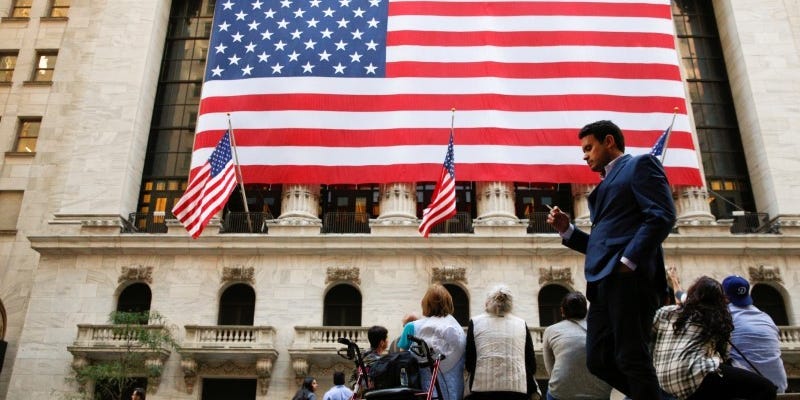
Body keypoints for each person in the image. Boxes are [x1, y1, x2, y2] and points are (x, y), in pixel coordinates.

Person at [547, 120, 675, 400]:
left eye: (588, 147)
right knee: (598, 359)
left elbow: (663, 215)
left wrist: (628, 261)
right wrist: (567, 231)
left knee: (631, 356)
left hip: (630, 279)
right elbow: (602, 245)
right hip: (604, 282)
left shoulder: (641, 165)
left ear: (609, 141)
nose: (584, 155)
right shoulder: (603, 188)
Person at [652, 276, 777, 400]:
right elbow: (725, 356)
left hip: (662, 381)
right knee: (767, 388)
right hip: (696, 376)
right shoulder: (717, 318)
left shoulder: (665, 312)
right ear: (721, 300)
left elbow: (647, 336)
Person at [465, 284, 538, 400]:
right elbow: (531, 364)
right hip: (518, 390)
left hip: (481, 390)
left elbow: (469, 362)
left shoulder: (475, 322)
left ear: (487, 302)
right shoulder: (521, 323)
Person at [398, 283, 466, 400]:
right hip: (453, 392)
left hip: (422, 392)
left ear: (425, 304)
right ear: (449, 303)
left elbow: (401, 358)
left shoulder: (411, 327)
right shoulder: (459, 330)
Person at [722, 275, 787, 393]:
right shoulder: (766, 317)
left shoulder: (724, 316)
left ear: (725, 296)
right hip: (779, 387)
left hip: (749, 390)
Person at [542, 291, 612, 400]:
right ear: (585, 310)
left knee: (553, 389)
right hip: (599, 393)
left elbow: (550, 368)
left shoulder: (550, 330)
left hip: (562, 393)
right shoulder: (598, 329)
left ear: (562, 311)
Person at [350, 325, 389, 390]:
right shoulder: (381, 362)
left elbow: (351, 379)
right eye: (387, 338)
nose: (388, 341)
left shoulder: (361, 356)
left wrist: (358, 389)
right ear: (382, 343)